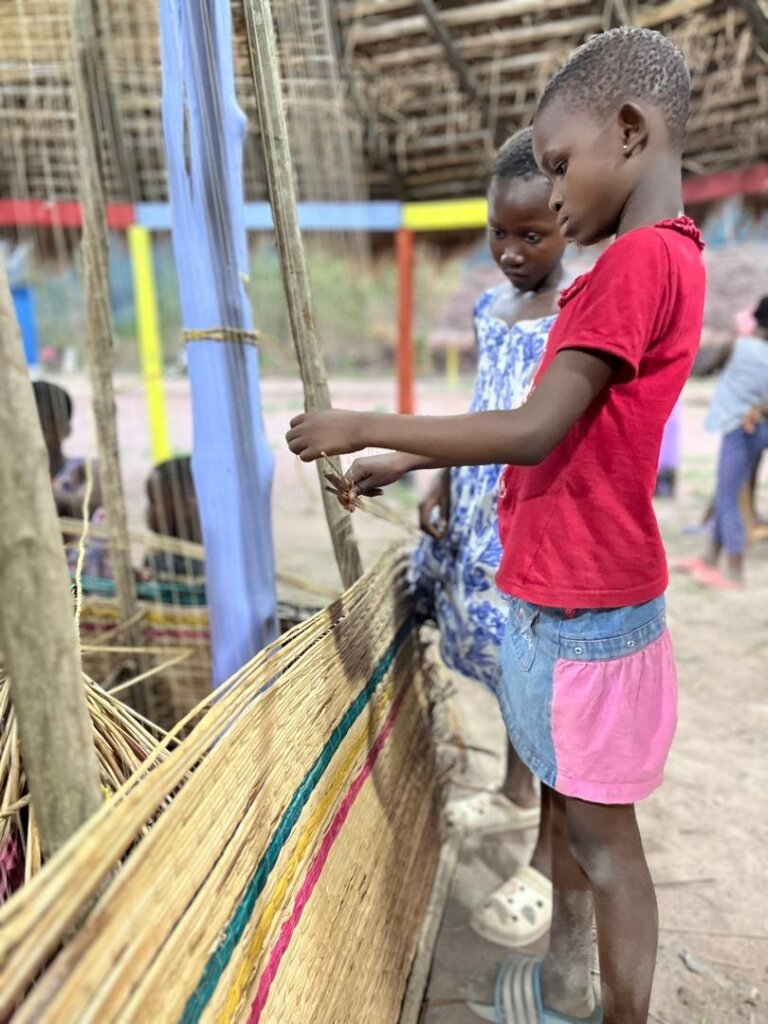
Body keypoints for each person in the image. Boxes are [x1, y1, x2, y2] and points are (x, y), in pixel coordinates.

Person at [287, 26, 704, 1024]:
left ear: (633, 132)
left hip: (586, 612)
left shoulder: (634, 266)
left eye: (562, 165)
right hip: (564, 594)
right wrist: (411, 457)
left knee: (609, 849)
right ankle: (565, 985)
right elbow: (543, 430)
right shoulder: (656, 259)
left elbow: (531, 426)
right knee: (565, 801)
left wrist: (364, 421)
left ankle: (616, 1013)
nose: (553, 195)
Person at [405, 126, 570, 949]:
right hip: (476, 510)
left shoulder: (576, 317)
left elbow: (536, 427)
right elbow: (481, 402)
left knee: (541, 686)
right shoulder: (490, 307)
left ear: (568, 223)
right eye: (498, 232)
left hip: (532, 520)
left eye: (531, 234)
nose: (510, 250)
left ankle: (546, 852)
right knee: (506, 672)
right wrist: (437, 471)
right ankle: (512, 792)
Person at [677, 296, 768, 588]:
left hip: (738, 429)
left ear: (755, 318)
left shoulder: (737, 346)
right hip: (759, 428)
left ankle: (734, 569)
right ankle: (710, 558)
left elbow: (700, 367)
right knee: (726, 488)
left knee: (728, 498)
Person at [33, 380, 108, 579]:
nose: (32, 437)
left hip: (82, 581)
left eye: (42, 426)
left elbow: (88, 506)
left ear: (65, 429)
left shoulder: (88, 470)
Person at [143, 456, 206, 604]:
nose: (147, 511)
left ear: (186, 506)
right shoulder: (159, 552)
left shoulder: (200, 560)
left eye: (153, 502)